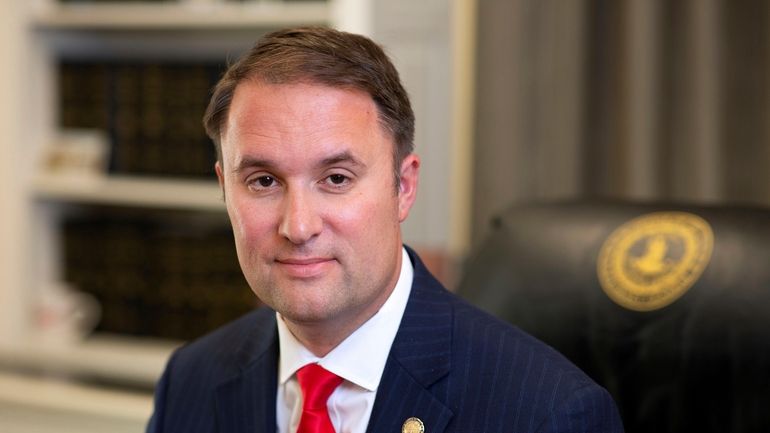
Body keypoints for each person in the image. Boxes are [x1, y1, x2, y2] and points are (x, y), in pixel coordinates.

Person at [147, 26, 623, 433]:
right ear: (224, 189)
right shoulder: (190, 380)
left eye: (336, 179)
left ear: (404, 187)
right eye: (263, 181)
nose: (298, 226)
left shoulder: (549, 413)